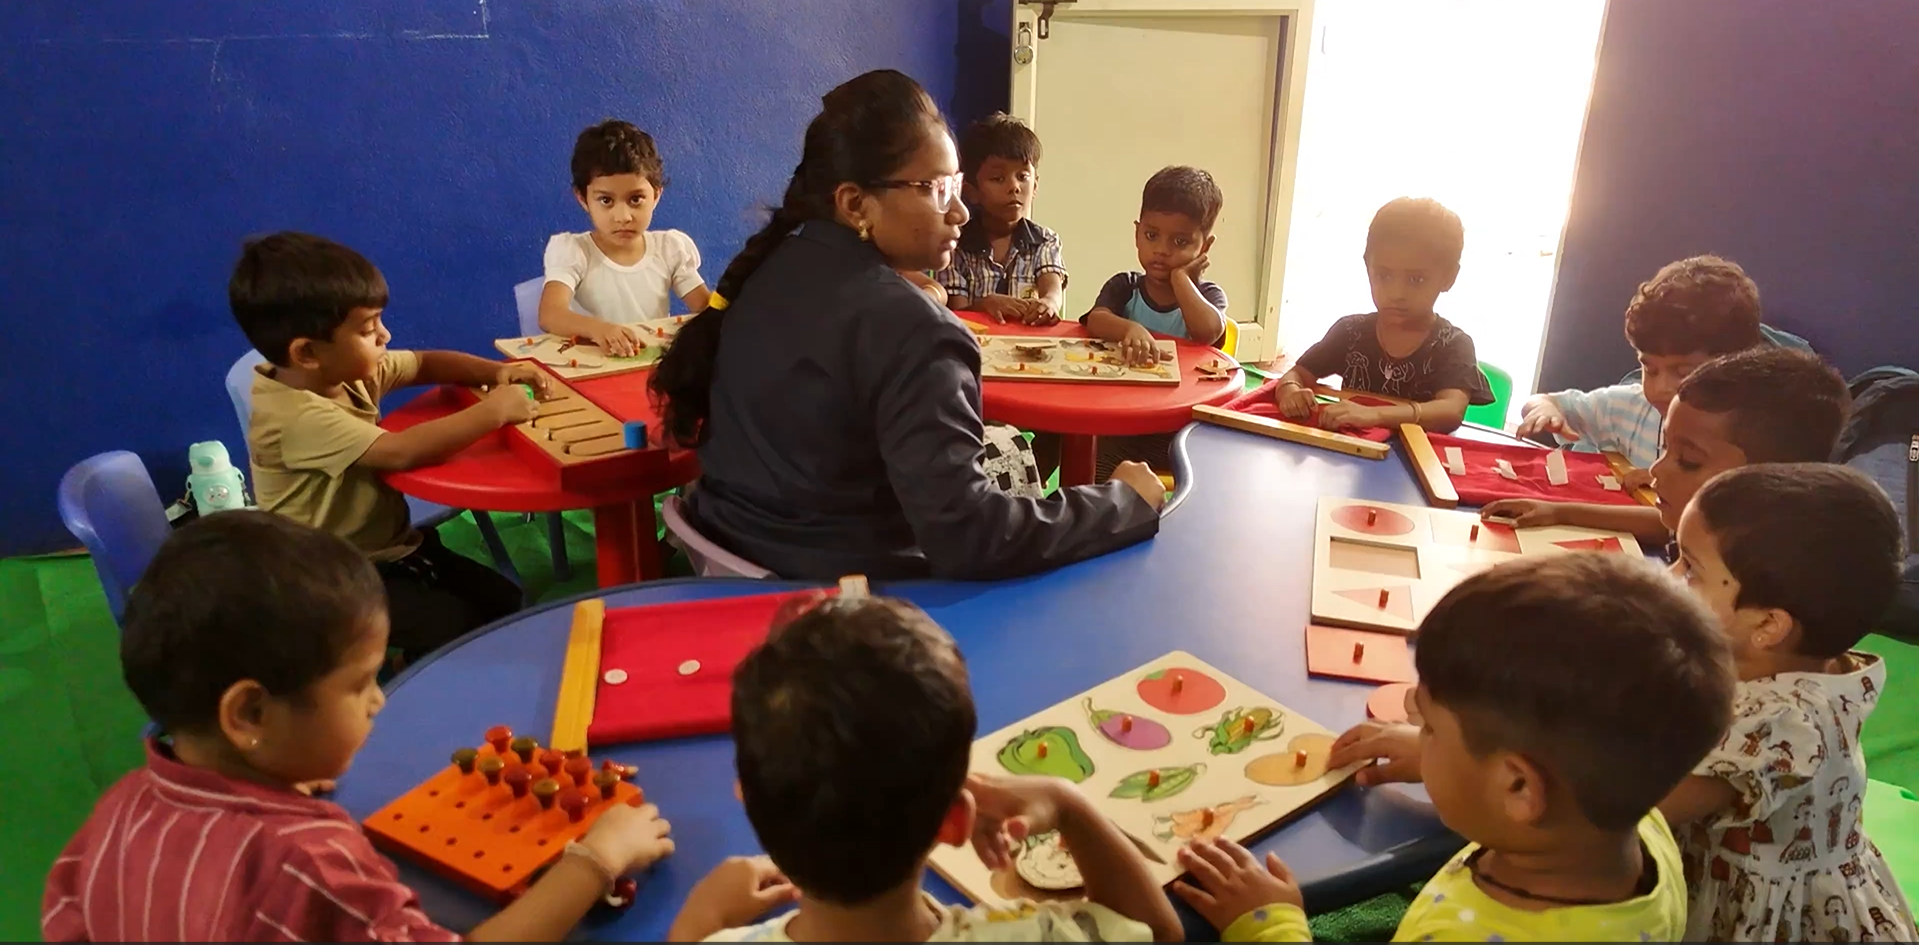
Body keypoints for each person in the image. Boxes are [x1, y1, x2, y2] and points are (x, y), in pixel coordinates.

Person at [41, 512, 675, 942]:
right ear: (250, 716)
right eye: (358, 684)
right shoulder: (309, 861)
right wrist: (596, 859)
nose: (378, 703)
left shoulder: (120, 809)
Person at [648, 69, 1163, 581]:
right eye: (936, 189)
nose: (961, 211)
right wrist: (1121, 503)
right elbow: (971, 538)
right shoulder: (917, 330)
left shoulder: (765, 272)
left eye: (959, 186)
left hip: (734, 567)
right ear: (855, 203)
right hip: (848, 603)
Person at [1176, 554, 1734, 941]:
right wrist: (1444, 757)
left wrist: (1270, 925)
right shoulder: (1635, 819)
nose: (1414, 718)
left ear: (1517, 786)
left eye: (1432, 728)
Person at [666, 595, 1182, 942]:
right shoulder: (1026, 934)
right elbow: (1154, 930)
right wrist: (1067, 804)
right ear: (955, 821)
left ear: (747, 798)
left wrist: (701, 921)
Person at [233, 232, 526, 661]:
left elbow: (425, 363)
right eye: (369, 330)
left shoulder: (339, 372)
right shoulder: (294, 415)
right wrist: (494, 411)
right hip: (324, 579)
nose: (385, 336)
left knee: (503, 601)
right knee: (453, 627)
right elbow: (400, 451)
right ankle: (408, 681)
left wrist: (497, 373)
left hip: (388, 548)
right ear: (308, 352)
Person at [1658, 464, 1917, 941]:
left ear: (1769, 626)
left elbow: (1639, 807)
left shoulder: (1782, 720)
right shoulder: (1806, 658)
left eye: (1689, 568)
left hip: (1775, 919)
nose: (1668, 577)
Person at [1483, 346, 1851, 545]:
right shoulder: (1719, 525)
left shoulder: (1756, 580)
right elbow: (1667, 526)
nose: (1657, 470)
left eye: (1688, 461)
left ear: (1771, 481)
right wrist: (1557, 512)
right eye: (1664, 449)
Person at [1517, 255, 1763, 473]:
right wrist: (1544, 409)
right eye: (1650, 370)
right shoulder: (1632, 409)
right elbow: (1547, 401)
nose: (1661, 388)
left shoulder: (1754, 435)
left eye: (1684, 372)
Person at [1274, 197, 1491, 434]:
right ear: (1368, 267)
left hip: (1417, 465)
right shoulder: (1350, 332)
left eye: (1416, 279)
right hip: (1350, 457)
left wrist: (1374, 415)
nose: (1396, 294)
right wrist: (1291, 391)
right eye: (1384, 276)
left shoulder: (1453, 345)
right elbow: (1295, 375)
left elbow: (1450, 412)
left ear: (1449, 277)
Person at [1080, 165, 1230, 478]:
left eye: (1180, 242)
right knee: (1092, 453)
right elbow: (1096, 320)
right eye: (1151, 236)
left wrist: (1181, 279)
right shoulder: (1125, 286)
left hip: (1179, 429)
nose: (1161, 250)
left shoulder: (1207, 295)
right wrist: (1131, 328)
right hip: (1124, 422)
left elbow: (1207, 332)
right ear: (1137, 233)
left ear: (1204, 246)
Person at [538, 119, 711, 356]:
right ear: (582, 199)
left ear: (656, 195)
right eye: (606, 201)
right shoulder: (575, 251)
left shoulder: (669, 248)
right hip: (593, 371)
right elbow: (550, 315)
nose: (623, 217)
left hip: (648, 369)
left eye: (636, 199)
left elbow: (706, 308)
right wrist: (600, 330)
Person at [937, 112, 1067, 327]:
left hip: (1029, 349)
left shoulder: (1045, 241)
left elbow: (1052, 290)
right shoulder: (955, 245)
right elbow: (956, 312)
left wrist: (1048, 303)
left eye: (1023, 177)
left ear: (1035, 185)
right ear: (972, 191)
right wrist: (985, 304)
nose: (1014, 187)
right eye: (998, 178)